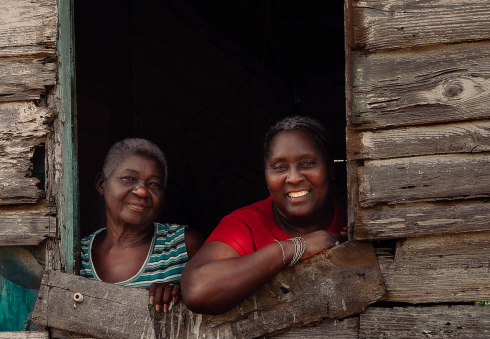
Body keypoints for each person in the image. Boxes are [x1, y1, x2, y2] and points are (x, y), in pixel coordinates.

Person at [181, 116, 347, 315]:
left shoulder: (356, 216)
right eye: (279, 167)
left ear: (331, 168)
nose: (293, 178)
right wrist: (296, 247)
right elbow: (197, 290)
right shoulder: (246, 224)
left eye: (307, 163)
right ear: (266, 177)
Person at [80, 138, 202, 312]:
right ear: (101, 184)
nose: (143, 191)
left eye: (154, 184)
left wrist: (180, 293)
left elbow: (213, 294)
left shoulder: (183, 246)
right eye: (129, 178)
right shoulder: (78, 255)